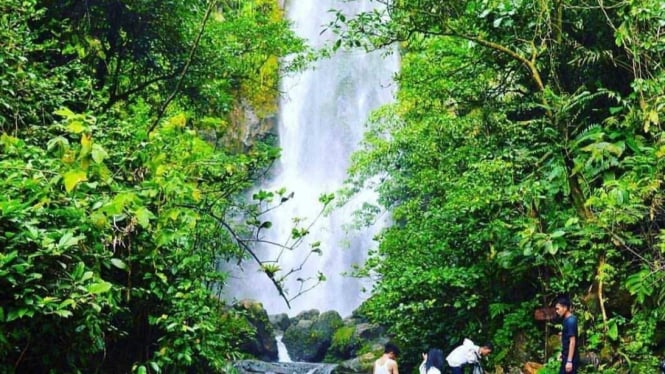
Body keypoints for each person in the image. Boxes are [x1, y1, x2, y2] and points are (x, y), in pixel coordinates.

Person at [555, 296, 579, 374]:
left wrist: (569, 361)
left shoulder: (571, 321)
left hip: (571, 358)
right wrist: (562, 354)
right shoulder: (566, 319)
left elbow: (572, 341)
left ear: (565, 308)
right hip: (566, 356)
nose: (557, 311)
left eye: (558, 309)